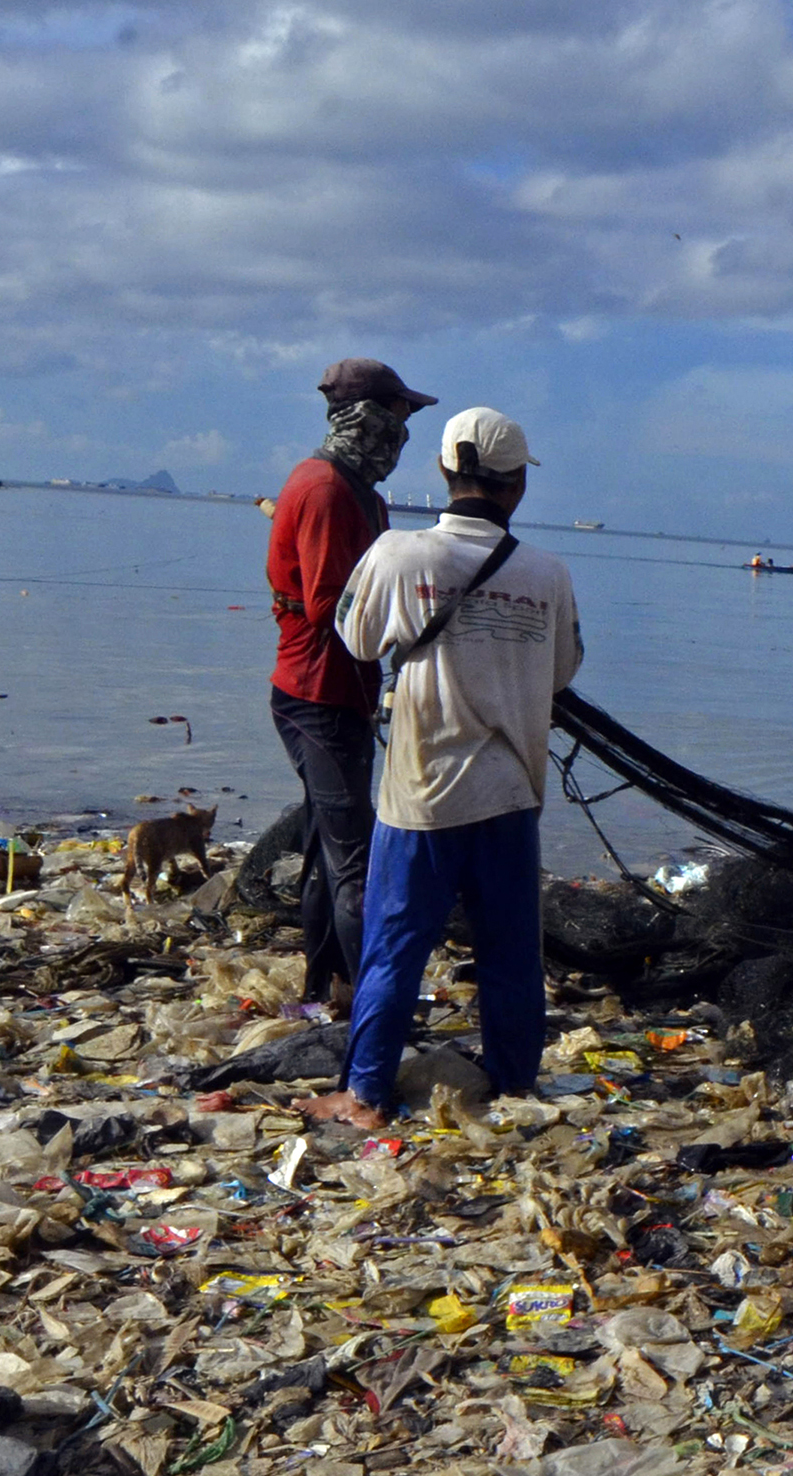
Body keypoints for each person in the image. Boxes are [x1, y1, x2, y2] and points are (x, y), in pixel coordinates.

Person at [297, 408, 583, 1128]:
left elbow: (358, 640)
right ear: (516, 485)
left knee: (396, 944)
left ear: (446, 472)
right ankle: (515, 1084)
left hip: (424, 792)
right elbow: (561, 671)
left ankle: (365, 1094)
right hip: (513, 789)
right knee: (512, 952)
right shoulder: (548, 573)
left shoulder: (400, 553)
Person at [265, 357, 437, 1013]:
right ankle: (377, 1011)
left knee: (325, 851)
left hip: (339, 694)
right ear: (367, 418)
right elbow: (331, 607)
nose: (405, 432)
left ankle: (322, 992)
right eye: (399, 416)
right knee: (356, 864)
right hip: (318, 695)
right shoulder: (326, 491)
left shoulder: (361, 493)